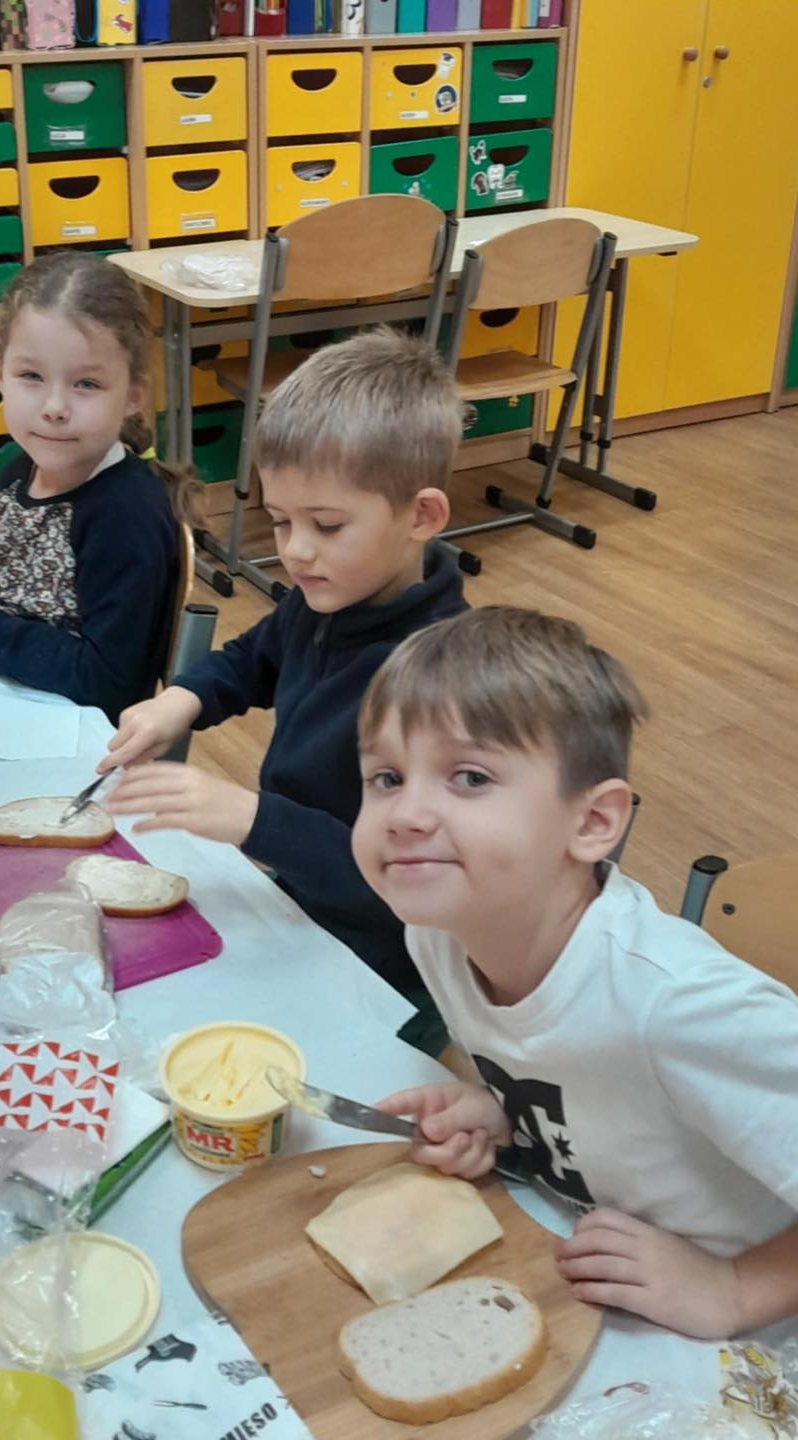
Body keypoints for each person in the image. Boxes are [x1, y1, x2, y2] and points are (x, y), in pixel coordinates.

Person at [351, 605, 798, 1339]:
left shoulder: (678, 1004)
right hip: (599, 1277)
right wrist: (505, 1118)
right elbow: (591, 1082)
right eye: (387, 777)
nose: (404, 813)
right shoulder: (439, 935)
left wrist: (737, 1289)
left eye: (469, 777)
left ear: (592, 823)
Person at [103, 327, 468, 995]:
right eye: (280, 520)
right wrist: (182, 699)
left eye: (326, 525)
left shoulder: (445, 688)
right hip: (300, 902)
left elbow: (406, 891)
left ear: (421, 516)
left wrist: (256, 821)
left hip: (384, 965)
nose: (295, 550)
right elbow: (254, 658)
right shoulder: (330, 597)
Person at [0, 252, 203, 724]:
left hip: (85, 740)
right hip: (20, 701)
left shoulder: (125, 518)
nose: (54, 407)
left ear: (133, 395)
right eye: (31, 376)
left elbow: (109, 683)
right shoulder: (16, 478)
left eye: (86, 384)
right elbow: (34, 597)